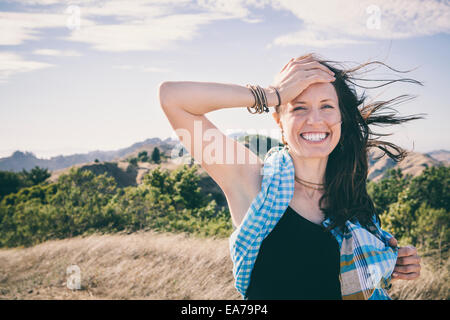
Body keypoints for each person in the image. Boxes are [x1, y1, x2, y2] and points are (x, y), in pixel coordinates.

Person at [158, 53, 422, 300]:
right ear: (279, 119)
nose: (315, 120)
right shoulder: (255, 183)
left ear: (341, 116)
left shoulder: (353, 198)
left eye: (327, 106)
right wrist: (272, 94)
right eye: (299, 108)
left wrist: (392, 262)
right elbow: (173, 98)